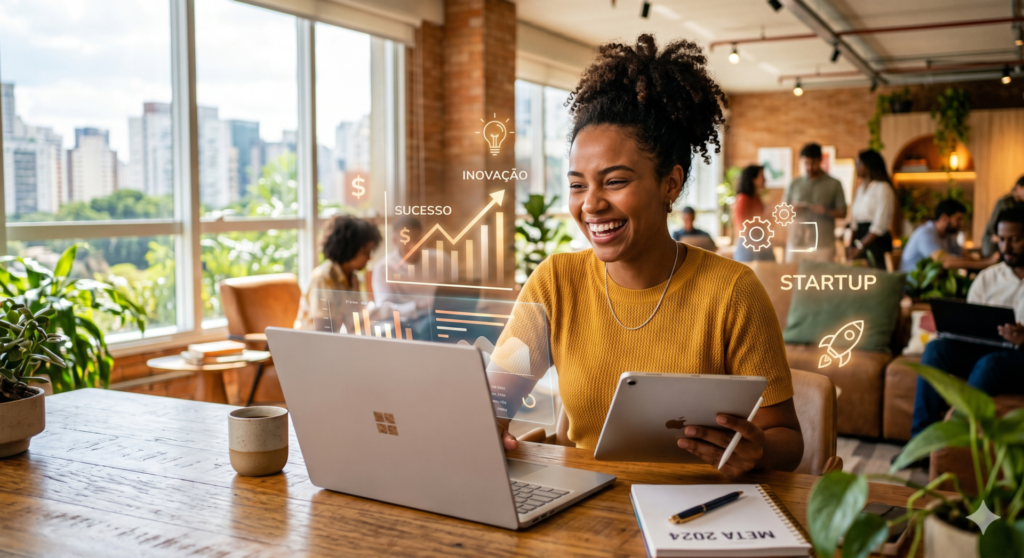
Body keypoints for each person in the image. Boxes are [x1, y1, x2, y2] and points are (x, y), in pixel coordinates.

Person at [493, 35, 803, 477]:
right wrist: (487, 421)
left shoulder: (733, 292)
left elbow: (787, 440)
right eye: (578, 184)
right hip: (586, 511)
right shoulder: (555, 281)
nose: (591, 204)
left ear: (670, 184)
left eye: (615, 181)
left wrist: (759, 451)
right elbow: (495, 398)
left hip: (699, 510)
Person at [911, 206, 1024, 437]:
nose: (1006, 248)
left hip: (1018, 357)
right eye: (1001, 240)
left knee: (990, 364)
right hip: (984, 349)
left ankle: (953, 441)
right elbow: (970, 324)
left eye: (1015, 240)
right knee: (935, 349)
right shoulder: (988, 278)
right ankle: (922, 440)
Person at [295, 215, 381, 330]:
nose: (370, 258)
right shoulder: (323, 279)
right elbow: (323, 331)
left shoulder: (353, 277)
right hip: (313, 344)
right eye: (365, 252)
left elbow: (355, 320)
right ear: (349, 249)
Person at [371, 215, 438, 339]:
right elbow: (384, 309)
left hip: (436, 318)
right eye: (406, 240)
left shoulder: (440, 260)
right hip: (401, 322)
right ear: (395, 241)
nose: (413, 246)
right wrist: (417, 306)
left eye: (417, 240)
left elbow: (453, 294)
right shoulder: (383, 267)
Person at [784, 143, 847, 263]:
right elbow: (782, 211)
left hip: (823, 244)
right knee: (791, 279)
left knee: (821, 280)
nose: (809, 167)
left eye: (812, 163)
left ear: (820, 161)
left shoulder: (834, 184)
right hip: (796, 242)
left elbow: (843, 213)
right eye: (806, 163)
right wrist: (791, 209)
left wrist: (826, 211)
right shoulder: (794, 184)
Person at [899, 199, 997, 272]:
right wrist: (987, 263)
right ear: (944, 218)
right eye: (958, 219)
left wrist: (986, 262)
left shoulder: (947, 236)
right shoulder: (925, 234)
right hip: (913, 289)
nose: (962, 224)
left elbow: (964, 256)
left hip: (933, 286)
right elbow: (946, 262)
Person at [847, 150, 896, 268]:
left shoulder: (883, 188)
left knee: (876, 281)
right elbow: (855, 220)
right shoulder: (861, 189)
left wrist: (860, 246)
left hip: (876, 243)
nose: (856, 167)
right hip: (861, 240)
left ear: (868, 165)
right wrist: (851, 245)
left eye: (859, 164)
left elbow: (880, 225)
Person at [732, 165, 775, 262]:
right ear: (753, 179)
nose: (765, 180)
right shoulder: (743, 199)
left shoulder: (756, 198)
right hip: (748, 244)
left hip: (760, 240)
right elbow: (741, 225)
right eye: (762, 176)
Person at [982, 175, 1024, 258]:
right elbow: (994, 229)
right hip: (994, 245)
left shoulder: (1021, 204)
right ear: (1019, 187)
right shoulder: (1005, 202)